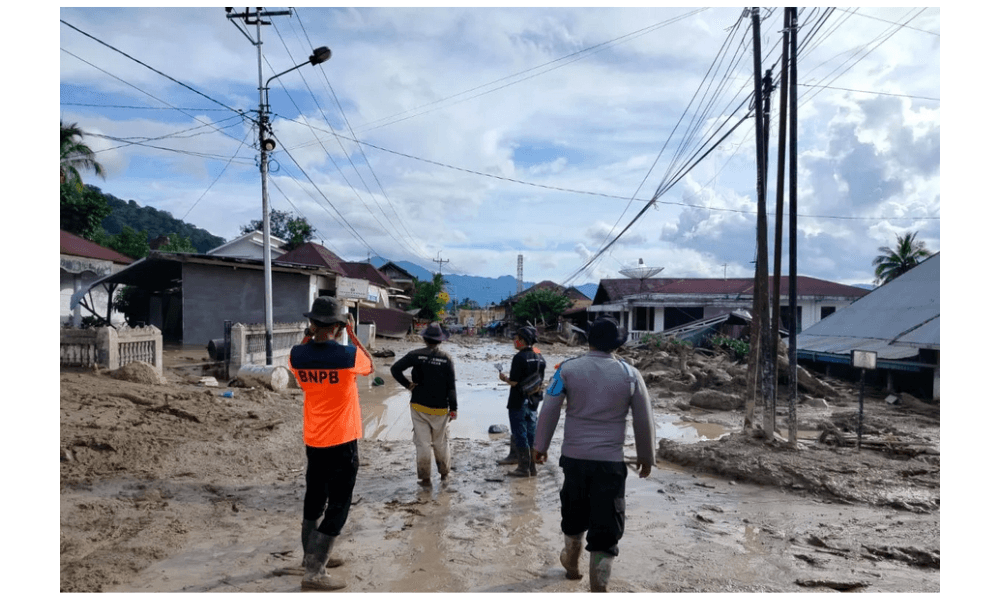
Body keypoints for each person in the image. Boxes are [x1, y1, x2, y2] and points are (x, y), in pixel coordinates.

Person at [532, 317, 656, 592]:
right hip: (610, 463)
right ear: (618, 344)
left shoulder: (566, 370)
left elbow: (550, 407)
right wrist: (646, 456)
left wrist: (540, 445)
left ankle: (572, 565)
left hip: (574, 460)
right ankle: (599, 585)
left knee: (573, 510)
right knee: (608, 520)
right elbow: (643, 418)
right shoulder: (630, 374)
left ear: (588, 340)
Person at [286, 296, 374, 591]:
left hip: (314, 438)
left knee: (315, 498)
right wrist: (351, 332)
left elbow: (300, 356)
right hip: (343, 439)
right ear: (338, 326)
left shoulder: (296, 355)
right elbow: (369, 365)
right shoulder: (348, 357)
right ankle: (315, 571)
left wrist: (309, 335)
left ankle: (309, 555)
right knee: (339, 503)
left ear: (311, 324)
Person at [390, 322, 458, 486]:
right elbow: (451, 387)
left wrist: (407, 385)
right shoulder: (446, 359)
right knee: (441, 442)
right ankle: (444, 475)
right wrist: (454, 409)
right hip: (441, 408)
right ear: (440, 340)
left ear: (425, 339)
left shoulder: (415, 355)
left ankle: (425, 478)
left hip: (419, 405)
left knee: (422, 442)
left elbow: (395, 369)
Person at [498, 325, 545, 477]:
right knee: (531, 434)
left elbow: (515, 383)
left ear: (522, 340)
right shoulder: (540, 357)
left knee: (520, 434)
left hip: (518, 401)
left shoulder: (519, 358)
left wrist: (504, 378)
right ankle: (532, 468)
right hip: (533, 402)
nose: (514, 341)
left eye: (516, 338)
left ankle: (523, 468)